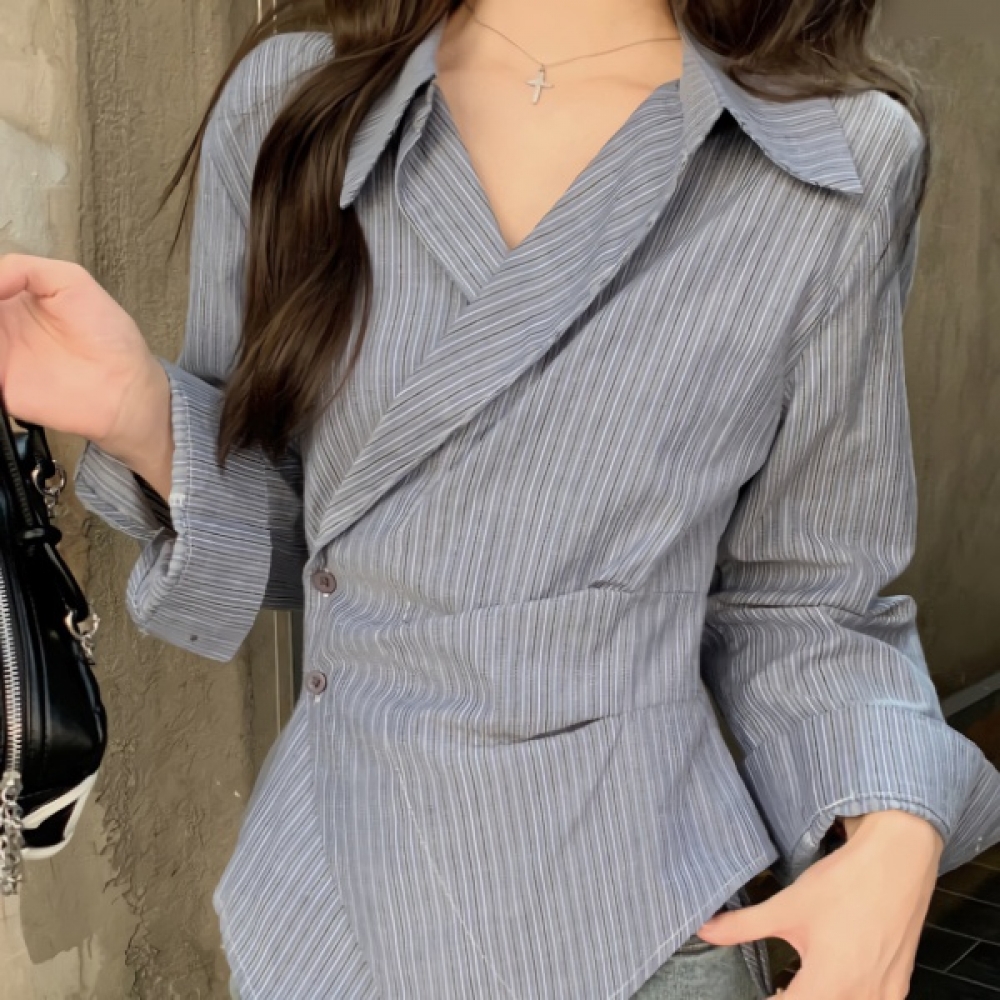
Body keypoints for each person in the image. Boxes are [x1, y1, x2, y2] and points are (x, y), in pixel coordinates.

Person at [1, 0, 999, 997]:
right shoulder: (298, 99)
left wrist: (892, 826)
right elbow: (329, 543)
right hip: (331, 904)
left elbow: (803, 597)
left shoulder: (830, 160)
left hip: (632, 930)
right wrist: (139, 413)